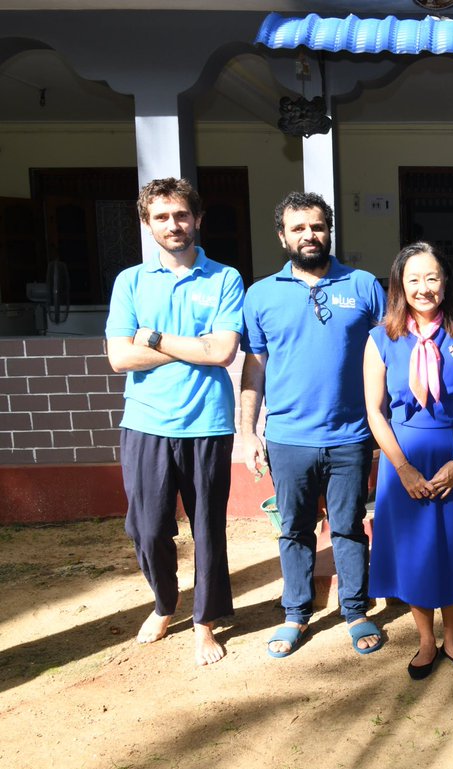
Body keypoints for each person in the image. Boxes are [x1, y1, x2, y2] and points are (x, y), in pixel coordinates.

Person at [240, 191, 387, 658]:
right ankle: (296, 615)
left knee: (348, 526)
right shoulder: (261, 294)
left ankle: (356, 611)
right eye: (298, 228)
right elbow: (255, 367)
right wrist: (248, 432)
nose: (310, 235)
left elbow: (387, 356)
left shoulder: (364, 286)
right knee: (295, 529)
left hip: (351, 436)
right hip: (287, 439)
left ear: (330, 231)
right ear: (282, 236)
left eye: (318, 226)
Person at [105, 177, 244, 666]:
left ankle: (204, 622)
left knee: (207, 528)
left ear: (197, 219)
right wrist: (192, 348)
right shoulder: (131, 281)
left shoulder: (224, 278)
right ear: (147, 224)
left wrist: (155, 339)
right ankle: (165, 603)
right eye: (161, 217)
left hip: (207, 422)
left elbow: (223, 351)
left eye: (181, 215)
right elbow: (120, 358)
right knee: (146, 528)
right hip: (145, 423)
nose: (173, 225)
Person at [365, 242, 453, 680]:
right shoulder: (380, 339)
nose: (424, 288)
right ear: (400, 286)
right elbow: (375, 411)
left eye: (432, 278)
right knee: (416, 553)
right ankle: (426, 641)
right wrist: (402, 468)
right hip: (402, 457)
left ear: (445, 282)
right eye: (414, 279)